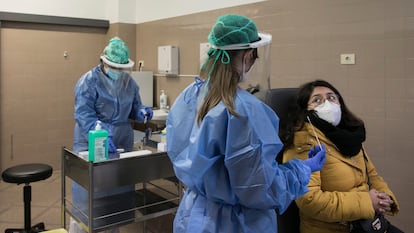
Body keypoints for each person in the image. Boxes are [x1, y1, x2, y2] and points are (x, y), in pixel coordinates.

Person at [166, 14, 326, 233]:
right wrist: (302, 169)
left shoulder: (191, 95)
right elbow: (259, 188)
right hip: (234, 223)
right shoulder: (245, 111)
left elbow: (178, 150)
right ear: (249, 55)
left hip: (193, 214)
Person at [281, 80, 400, 233]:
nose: (327, 104)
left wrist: (385, 198)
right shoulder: (303, 143)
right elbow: (310, 201)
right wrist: (367, 202)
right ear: (305, 110)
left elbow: (372, 176)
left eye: (331, 98)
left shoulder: (351, 136)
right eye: (317, 100)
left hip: (367, 223)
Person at [70, 37, 153, 233]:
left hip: (122, 140)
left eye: (121, 68)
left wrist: (141, 111)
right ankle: (82, 227)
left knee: (116, 190)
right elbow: (83, 114)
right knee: (91, 192)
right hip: (91, 140)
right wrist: (99, 134)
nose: (118, 72)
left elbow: (134, 108)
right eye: (114, 67)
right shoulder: (88, 82)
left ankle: (111, 227)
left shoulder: (129, 82)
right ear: (104, 62)